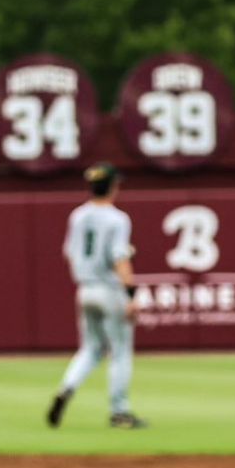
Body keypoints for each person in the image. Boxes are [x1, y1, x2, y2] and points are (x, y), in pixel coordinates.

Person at [47, 162, 147, 429]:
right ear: (113, 187)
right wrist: (131, 295)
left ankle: (66, 388)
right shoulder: (118, 219)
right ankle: (120, 411)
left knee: (90, 348)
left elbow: (69, 253)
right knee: (120, 351)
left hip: (85, 288)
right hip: (110, 289)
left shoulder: (78, 216)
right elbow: (119, 258)